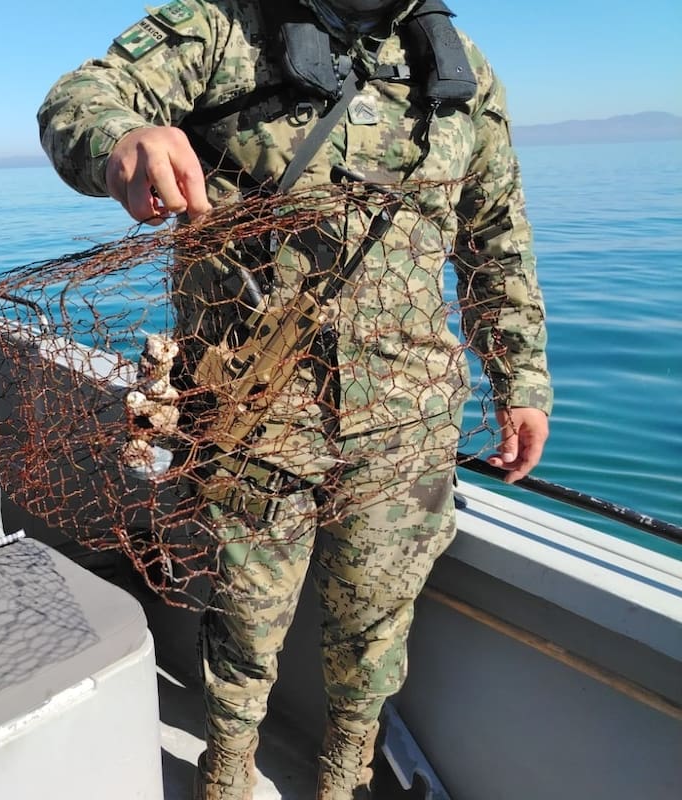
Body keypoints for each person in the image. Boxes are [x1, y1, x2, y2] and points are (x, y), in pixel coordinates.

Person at [38, 1, 552, 798]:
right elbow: (81, 98)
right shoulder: (222, 27)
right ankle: (228, 771)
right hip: (253, 416)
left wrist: (520, 379)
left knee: (376, 632)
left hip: (407, 422)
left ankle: (345, 778)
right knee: (243, 623)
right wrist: (122, 139)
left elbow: (495, 236)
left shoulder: (461, 70)